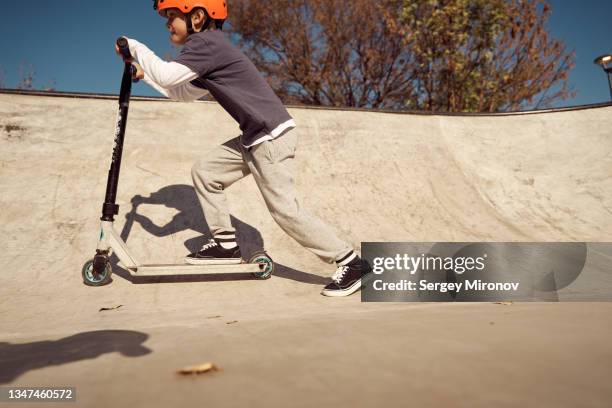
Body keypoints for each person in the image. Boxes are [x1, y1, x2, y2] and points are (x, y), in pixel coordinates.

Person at [116, 0, 370, 296]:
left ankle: (350, 262)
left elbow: (169, 75)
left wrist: (134, 46)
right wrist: (144, 76)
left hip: (271, 136)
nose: (167, 23)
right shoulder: (209, 53)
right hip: (255, 136)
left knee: (285, 211)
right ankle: (226, 245)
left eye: (172, 15)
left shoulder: (207, 43)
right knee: (206, 171)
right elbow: (181, 93)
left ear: (197, 17)